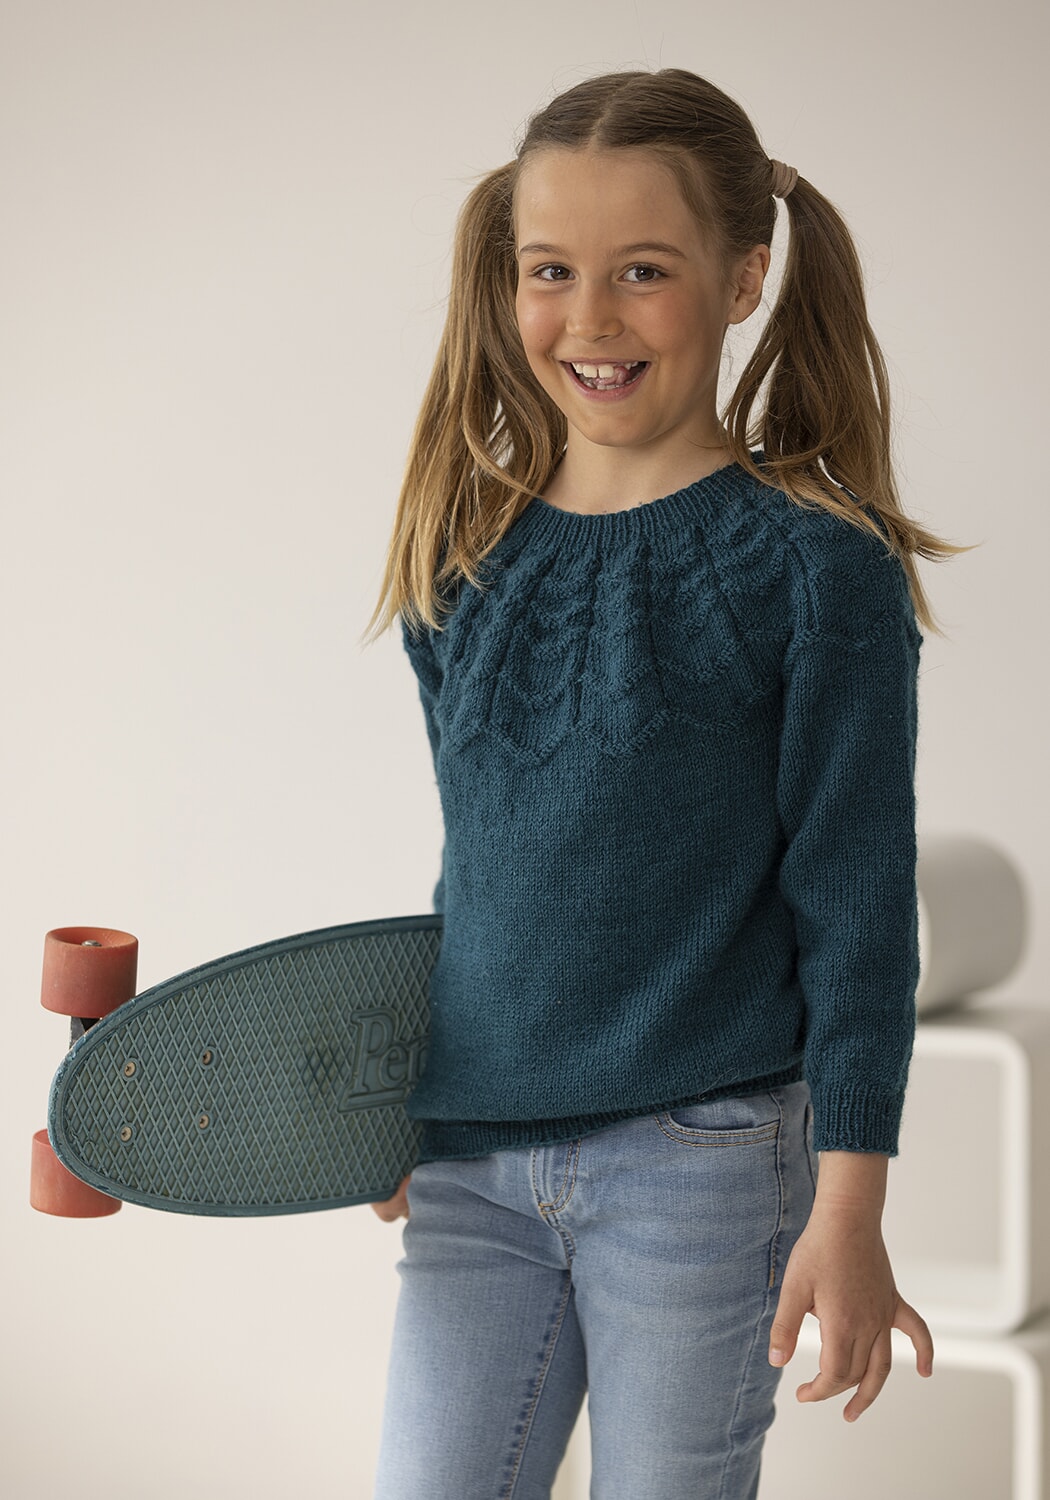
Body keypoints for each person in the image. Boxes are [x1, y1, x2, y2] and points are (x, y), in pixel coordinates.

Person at [365, 67, 957, 1500]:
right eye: (550, 271)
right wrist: (404, 1096)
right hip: (473, 1161)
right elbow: (481, 869)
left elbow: (858, 906)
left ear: (744, 277)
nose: (590, 318)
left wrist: (850, 1206)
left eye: (642, 270)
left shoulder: (817, 567)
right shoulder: (464, 562)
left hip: (704, 1164)